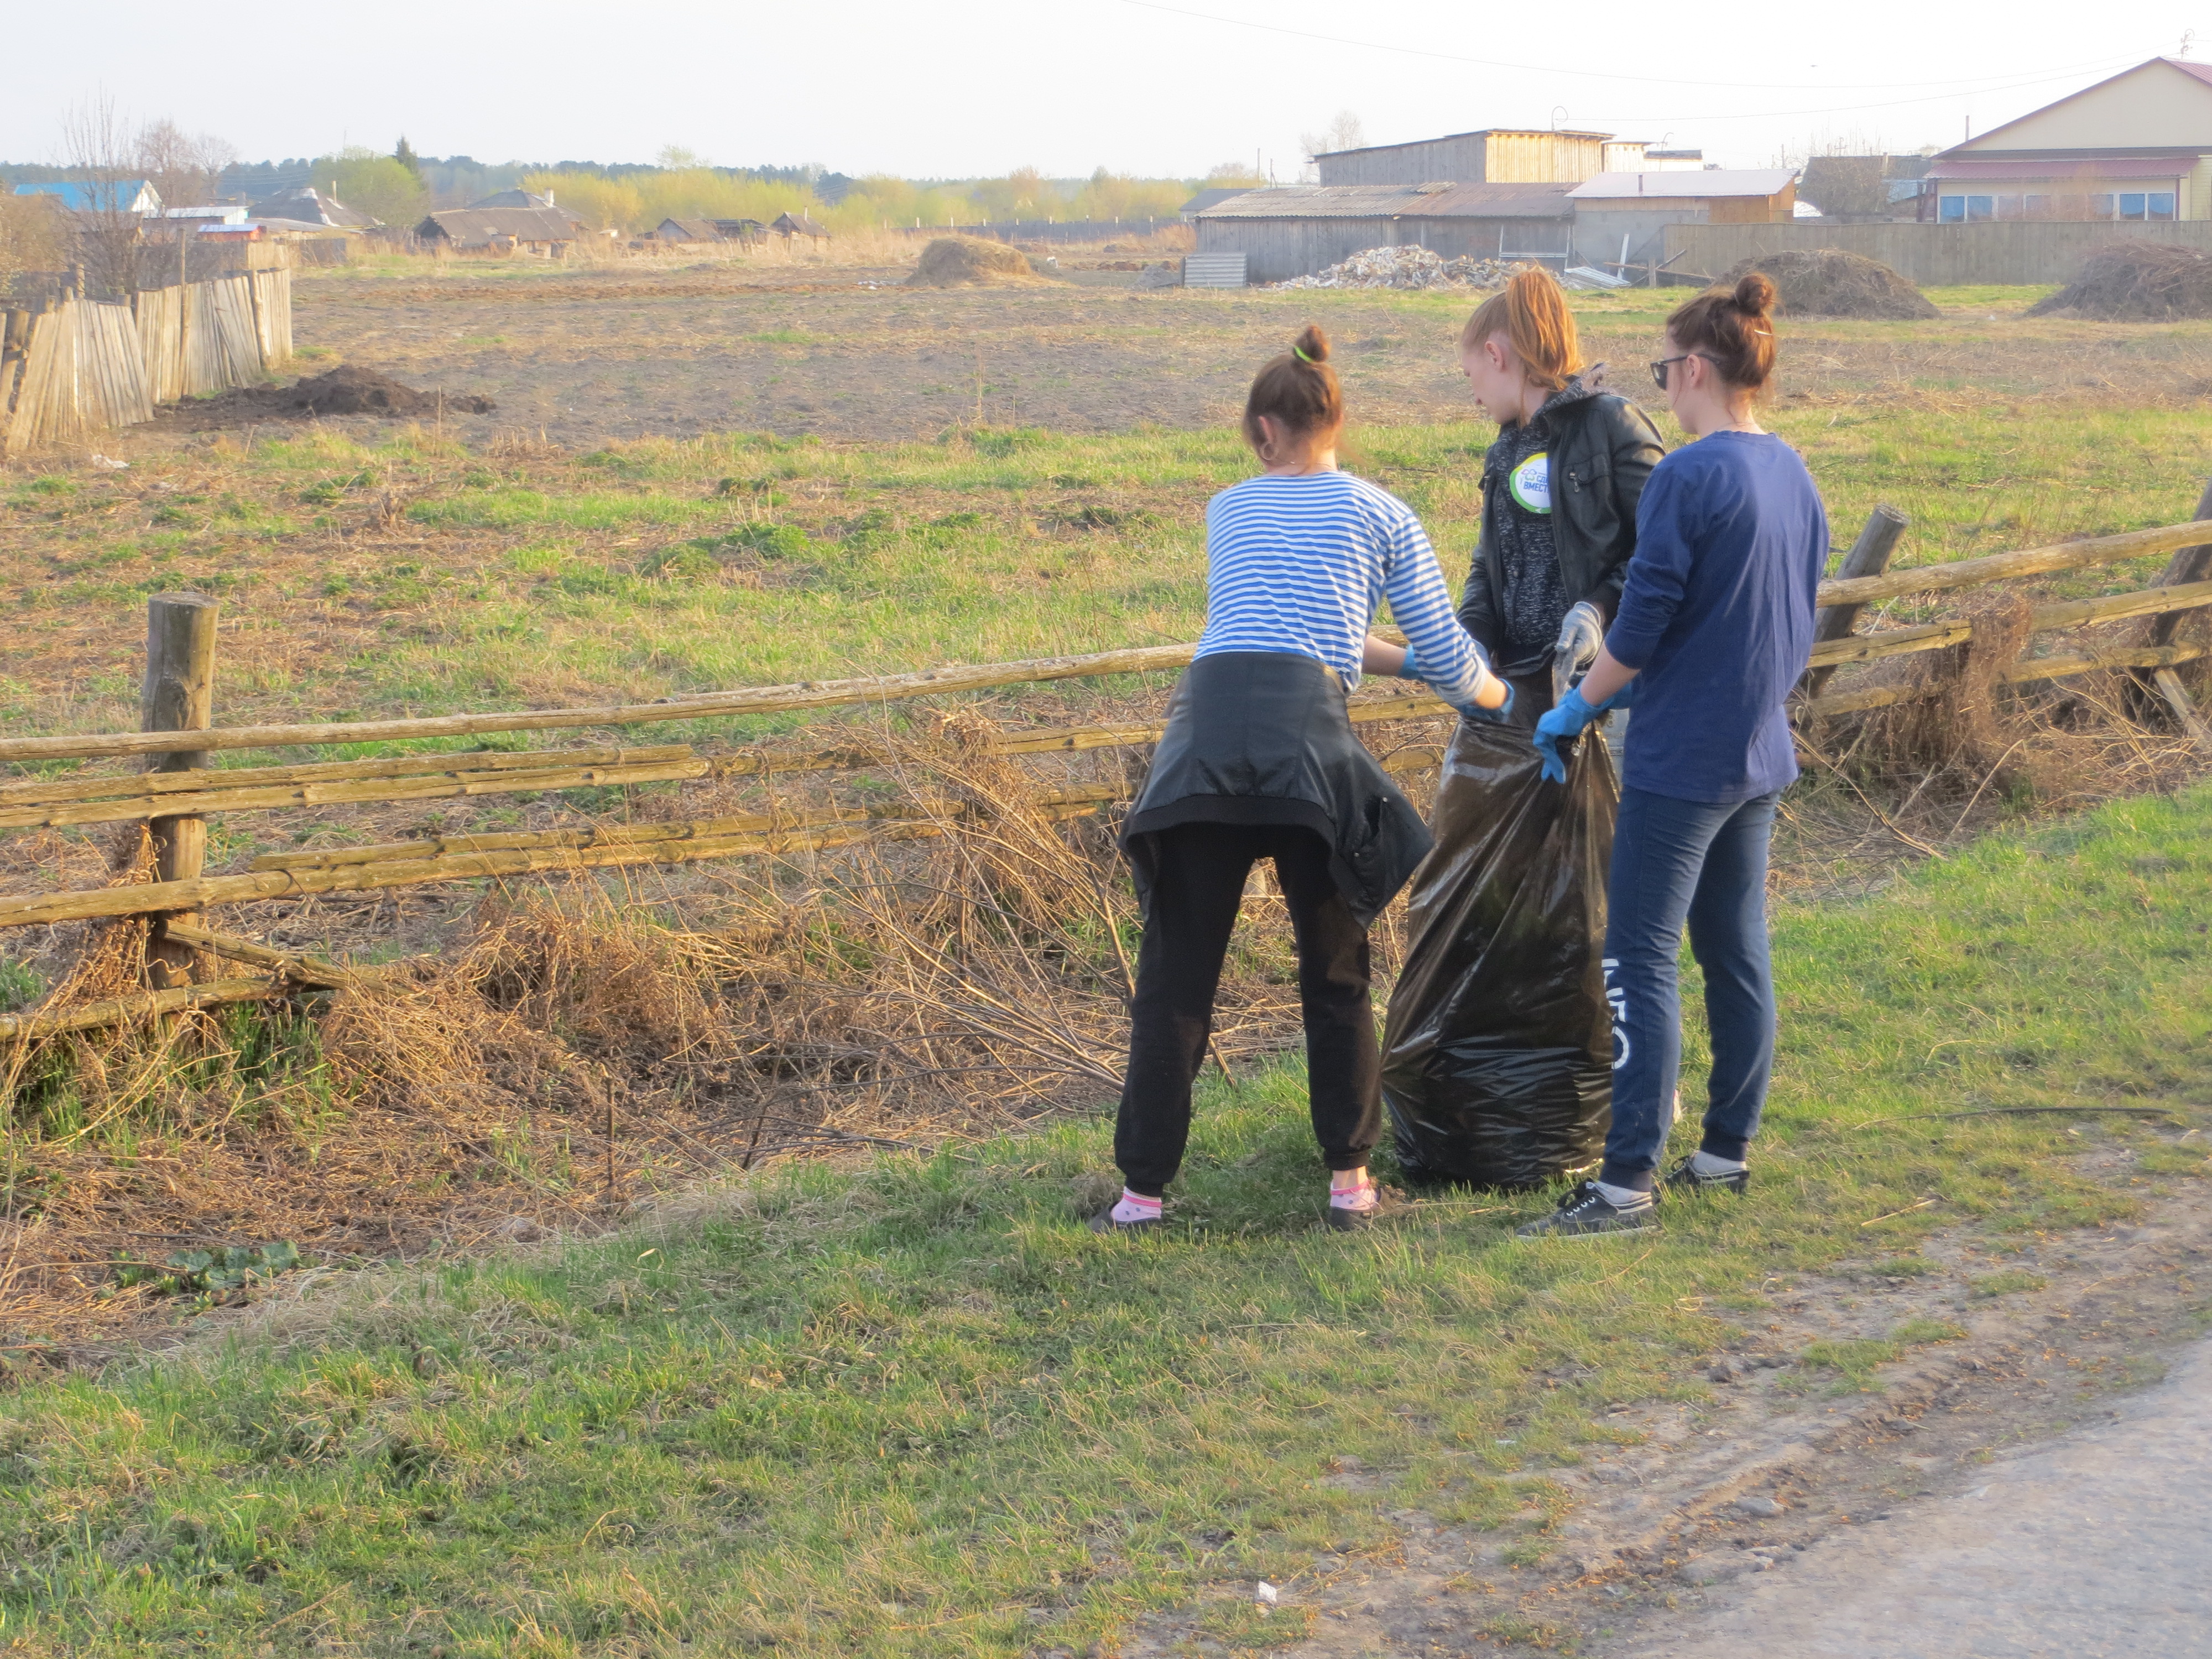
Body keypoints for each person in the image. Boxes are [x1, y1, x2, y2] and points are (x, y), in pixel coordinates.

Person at [1099, 324, 1512, 1235]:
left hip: (1204, 738)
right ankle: (1350, 1186)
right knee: (1334, 971)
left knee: (1176, 979)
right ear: (1338, 420)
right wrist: (1501, 698)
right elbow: (1444, 656)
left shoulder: (1229, 509)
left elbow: (1298, 626)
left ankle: (1141, 1197)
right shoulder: (1383, 513)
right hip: (1306, 752)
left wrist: (1395, 661)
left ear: (1261, 430)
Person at [1517, 272, 1829, 1239]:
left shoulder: (1689, 476)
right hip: (1758, 752)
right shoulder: (1791, 471)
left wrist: (1580, 704)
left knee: (1636, 958)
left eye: (1663, 370)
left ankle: (1623, 1187)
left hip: (1682, 761)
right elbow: (1784, 611)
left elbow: (1644, 622)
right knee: (1735, 950)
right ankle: (1725, 1153)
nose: (1664, 387)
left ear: (1696, 368)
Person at [1455, 267, 1666, 719]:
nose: (1474, 397)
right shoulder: (1504, 447)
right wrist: (1472, 633)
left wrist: (1598, 610)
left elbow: (1664, 548)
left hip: (1605, 683)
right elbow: (1488, 560)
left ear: (1494, 355)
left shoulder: (1613, 423)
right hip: (1517, 683)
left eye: (1470, 375)